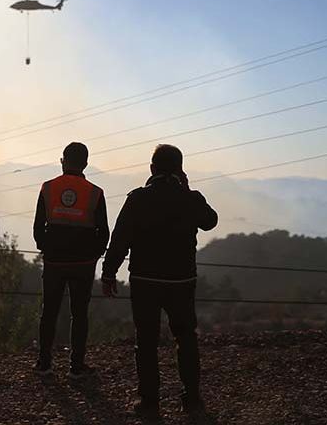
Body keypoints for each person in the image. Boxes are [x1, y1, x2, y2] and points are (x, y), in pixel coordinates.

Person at [102, 144, 218, 419]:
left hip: (145, 281)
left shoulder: (138, 199)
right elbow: (210, 221)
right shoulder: (190, 198)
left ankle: (150, 403)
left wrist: (108, 273)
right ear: (180, 169)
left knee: (146, 341)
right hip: (182, 281)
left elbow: (120, 239)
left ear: (152, 168)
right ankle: (191, 400)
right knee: (186, 338)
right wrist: (188, 191)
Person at [33, 142, 109, 378]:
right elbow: (103, 232)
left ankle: (44, 363)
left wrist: (47, 249)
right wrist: (92, 256)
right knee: (79, 314)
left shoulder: (47, 188)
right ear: (86, 163)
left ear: (63, 160)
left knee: (49, 312)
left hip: (54, 263)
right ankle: (76, 366)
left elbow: (38, 228)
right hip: (83, 265)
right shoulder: (95, 193)